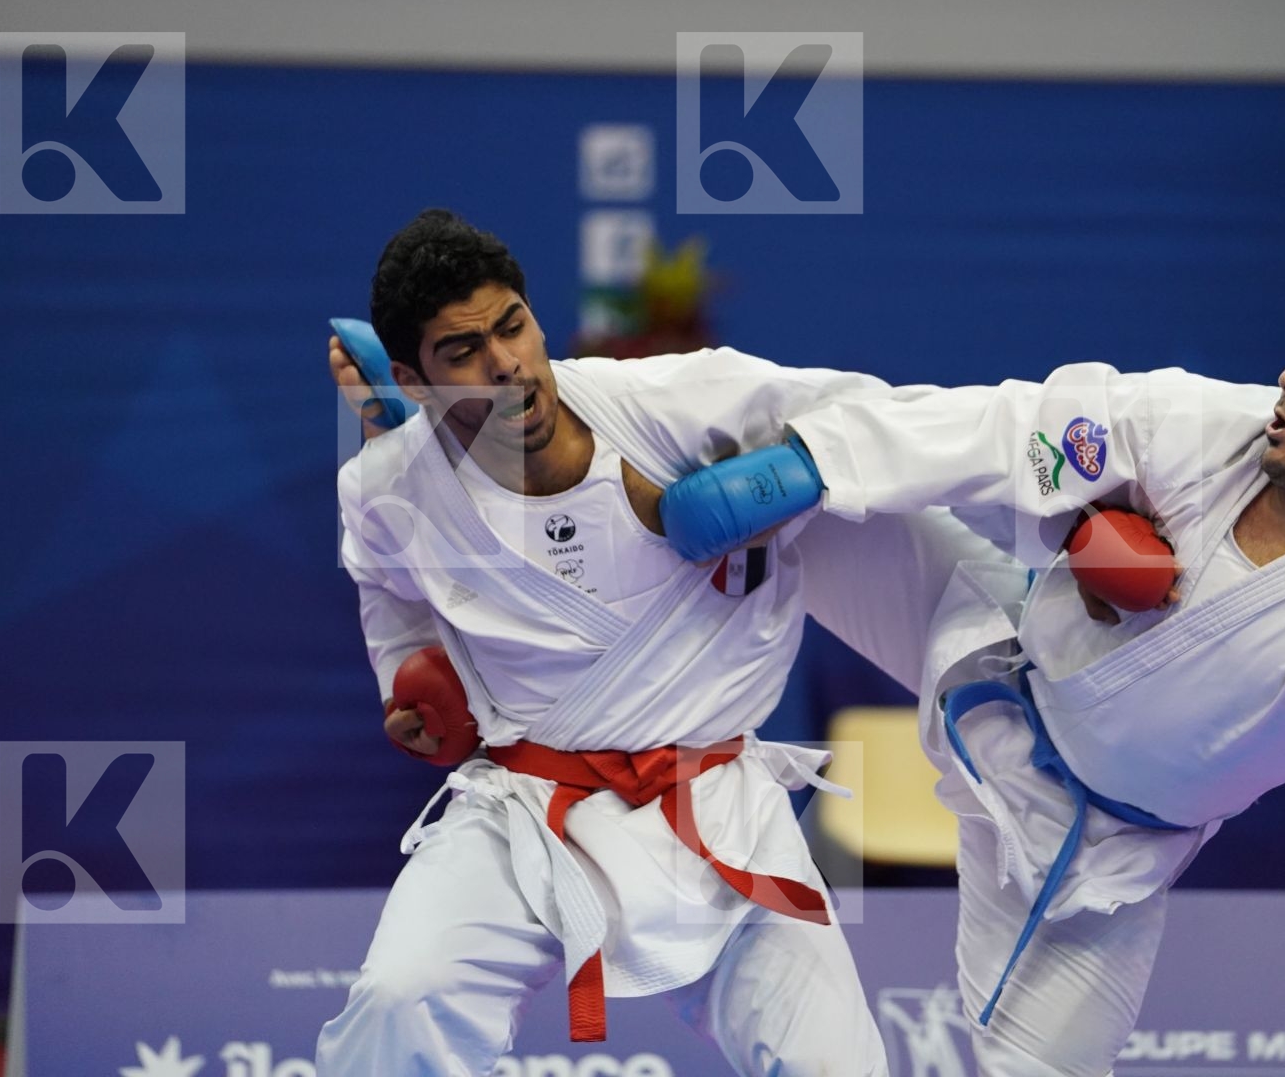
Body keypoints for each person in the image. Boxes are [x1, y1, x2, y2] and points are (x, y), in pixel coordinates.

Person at [659, 271, 1285, 1077]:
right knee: (797, 466)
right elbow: (1005, 431)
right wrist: (812, 463)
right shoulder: (1205, 426)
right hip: (988, 654)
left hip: (1100, 865)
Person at [315, 209, 891, 1076]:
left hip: (713, 808)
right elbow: (392, 592)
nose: (507, 366)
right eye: (463, 352)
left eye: (512, 325)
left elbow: (888, 429)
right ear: (412, 376)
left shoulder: (674, 408)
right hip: (526, 816)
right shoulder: (385, 484)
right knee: (402, 999)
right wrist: (408, 675)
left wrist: (1074, 455)